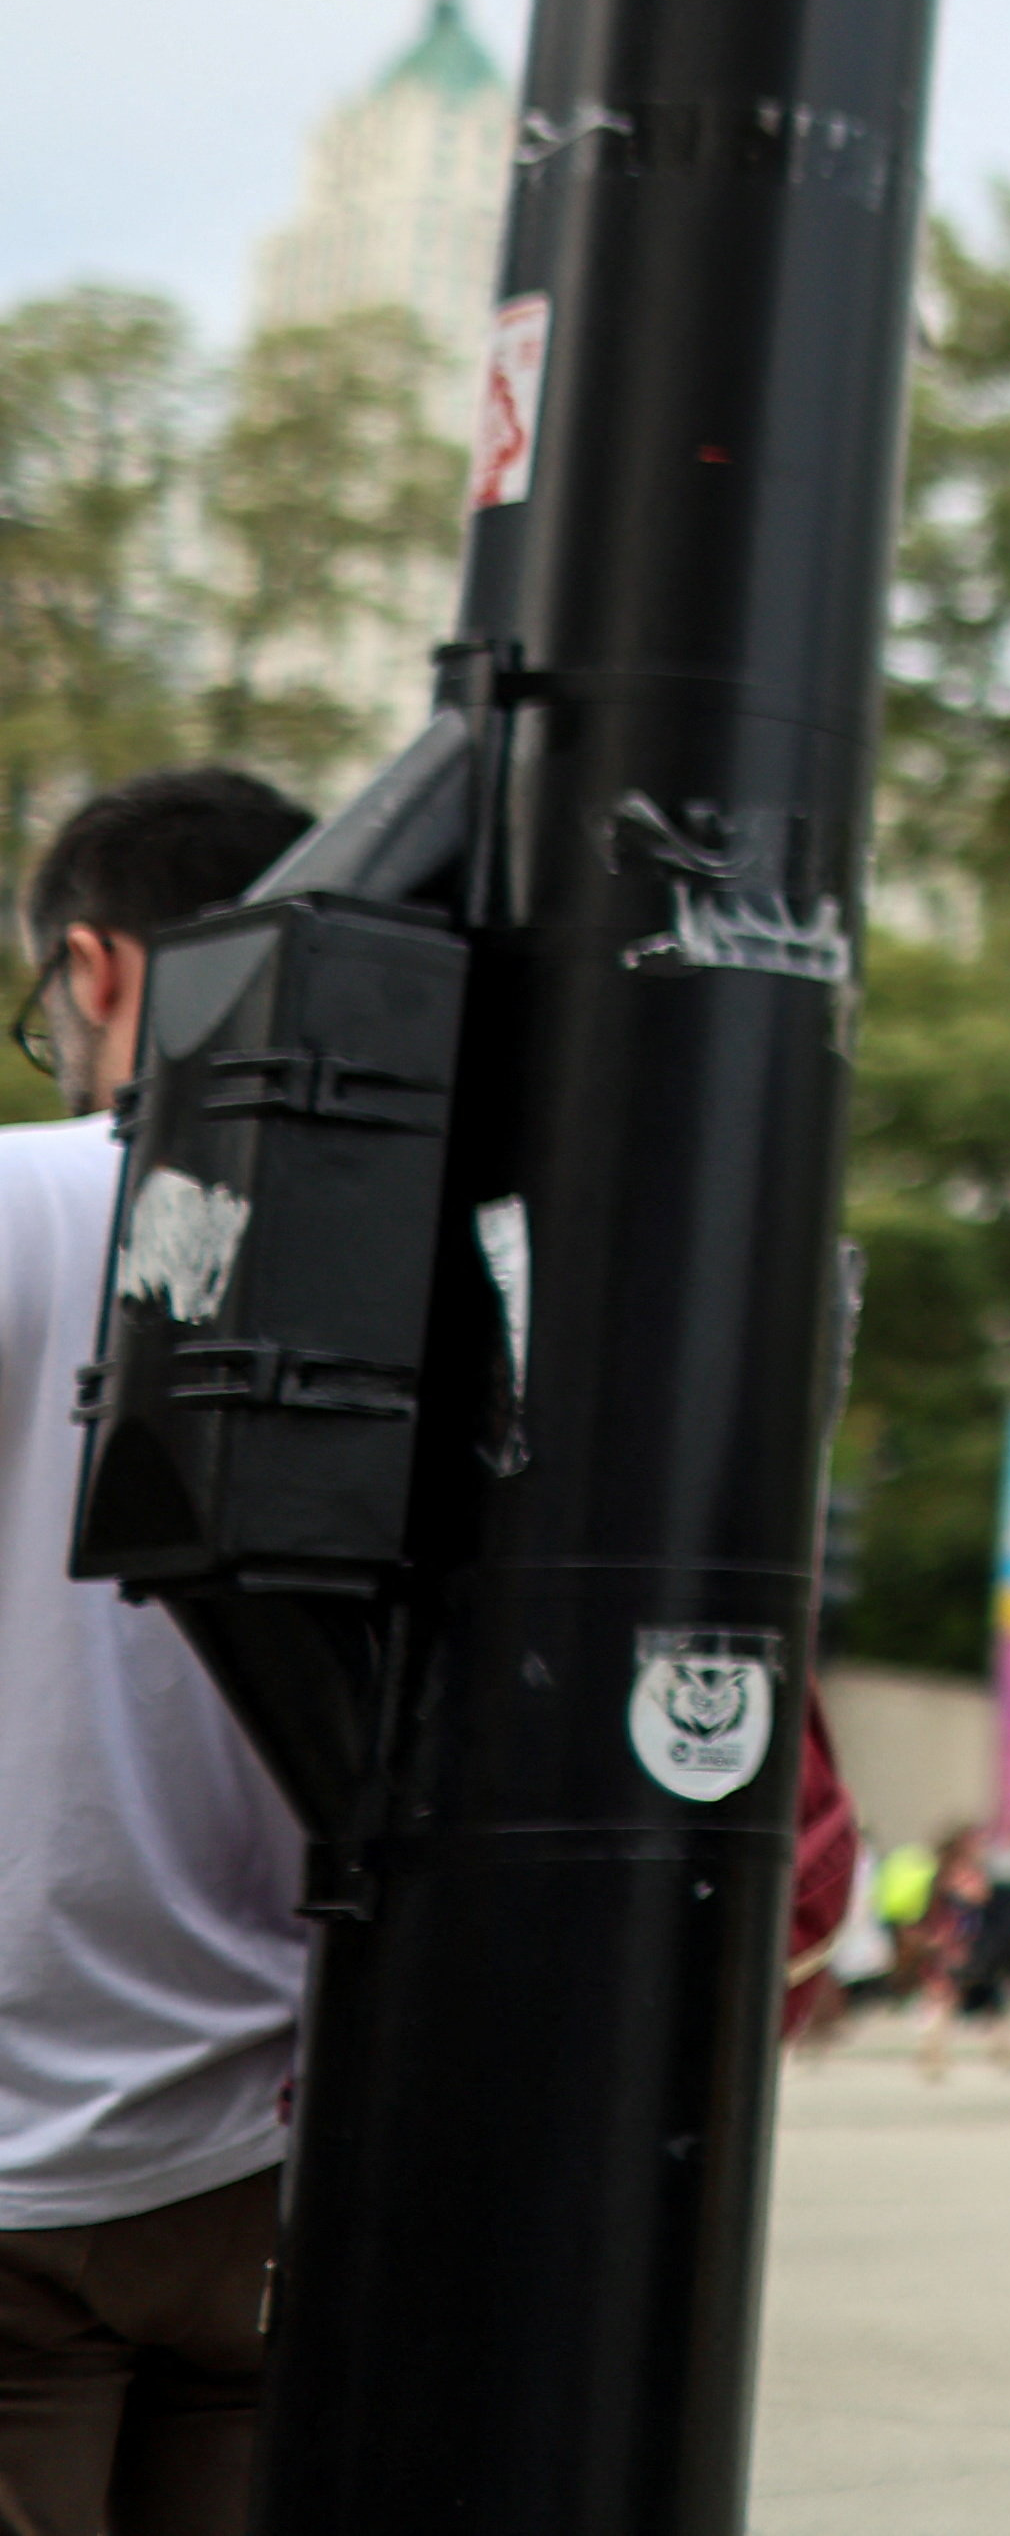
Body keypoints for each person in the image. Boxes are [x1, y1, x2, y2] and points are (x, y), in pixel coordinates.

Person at [0, 768, 315, 2536]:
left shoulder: (25, 1197)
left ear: (102, 969)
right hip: (271, 2146)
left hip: (21, 2125)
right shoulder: (416, 1257)